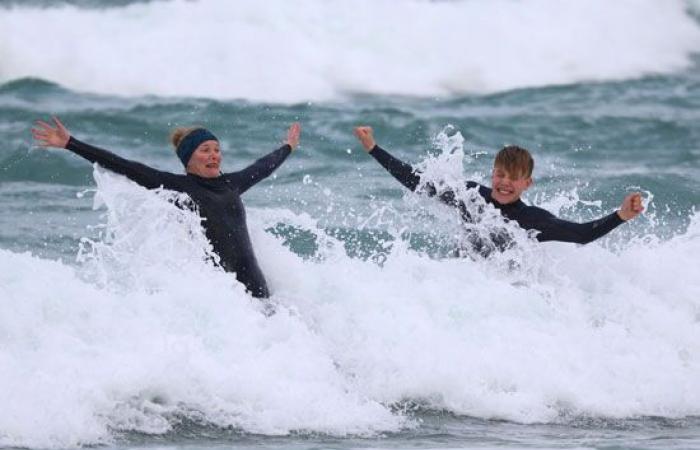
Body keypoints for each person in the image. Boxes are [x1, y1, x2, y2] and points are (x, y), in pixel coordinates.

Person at [32, 117, 300, 298]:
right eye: (205, 150)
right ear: (188, 159)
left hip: (255, 281)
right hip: (220, 293)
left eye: (216, 149)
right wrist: (70, 143)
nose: (214, 155)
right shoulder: (177, 187)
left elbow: (263, 167)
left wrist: (287, 147)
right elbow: (124, 165)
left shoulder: (232, 183)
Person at [353, 126, 643, 252]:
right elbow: (417, 181)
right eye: (500, 174)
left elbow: (582, 234)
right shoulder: (471, 197)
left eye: (513, 178)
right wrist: (373, 149)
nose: (505, 182)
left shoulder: (533, 220)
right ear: (493, 173)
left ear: (526, 184)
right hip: (462, 283)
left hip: (501, 294)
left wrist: (621, 216)